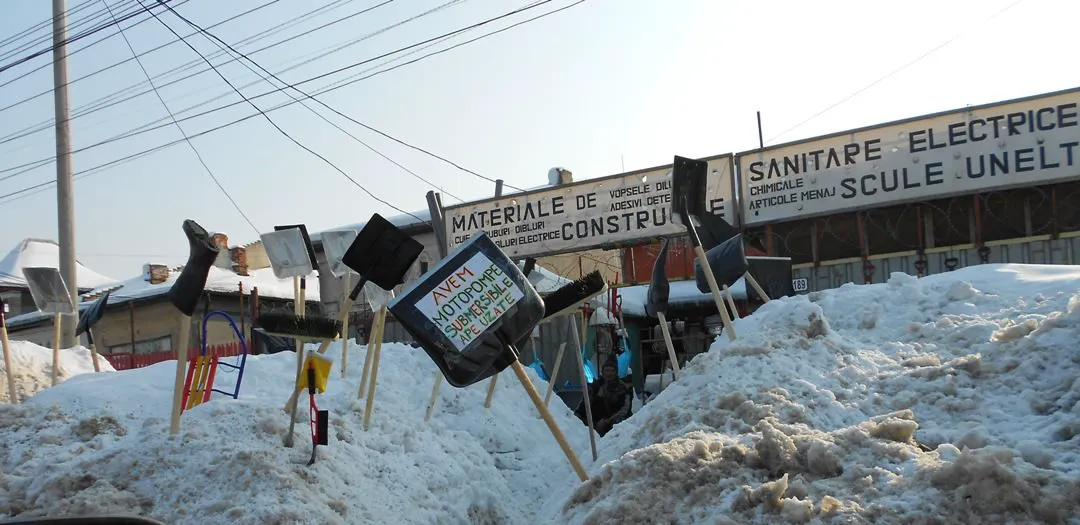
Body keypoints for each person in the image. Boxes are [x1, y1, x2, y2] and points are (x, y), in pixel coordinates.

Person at [574, 360, 632, 436]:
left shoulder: (622, 388)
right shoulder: (596, 386)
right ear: (603, 372)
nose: (609, 373)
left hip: (612, 420)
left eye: (612, 371)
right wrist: (577, 416)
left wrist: (606, 421)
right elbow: (585, 403)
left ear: (616, 372)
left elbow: (624, 409)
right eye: (607, 370)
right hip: (595, 420)